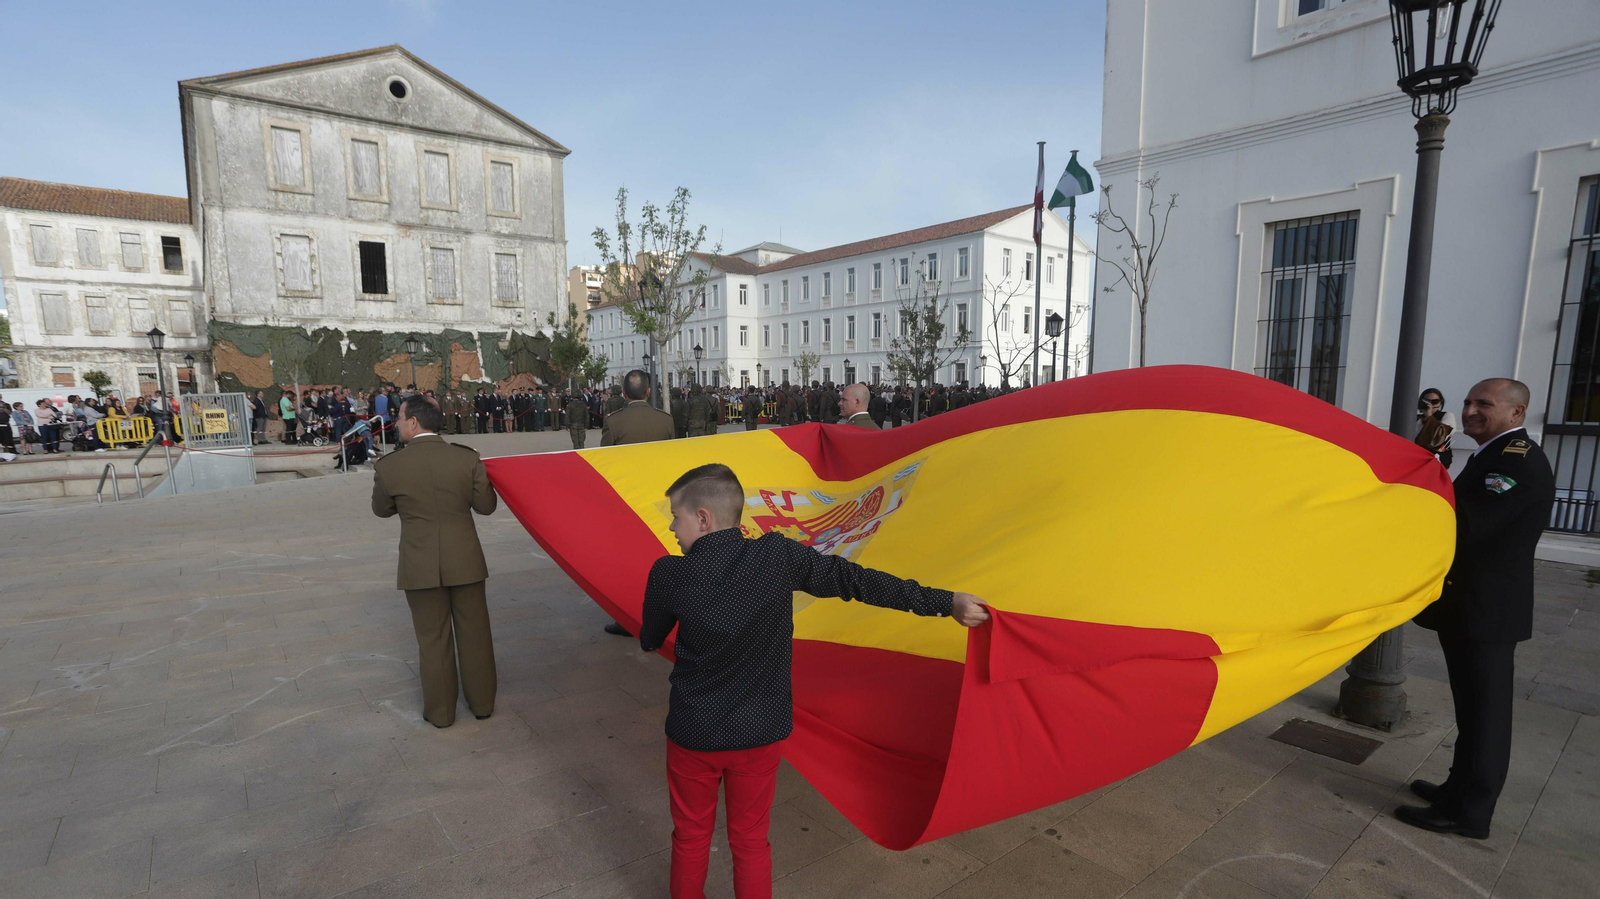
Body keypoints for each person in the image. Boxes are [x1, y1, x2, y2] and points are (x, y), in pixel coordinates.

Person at [639, 463, 989, 899]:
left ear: (703, 518)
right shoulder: (776, 556)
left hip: (693, 735)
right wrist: (945, 602)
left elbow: (649, 639)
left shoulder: (669, 574)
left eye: (676, 516)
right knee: (750, 840)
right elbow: (857, 581)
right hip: (758, 734)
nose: (672, 527)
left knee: (691, 837)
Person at [1396, 378, 1555, 840]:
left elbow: (1465, 523)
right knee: (1471, 709)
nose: (1469, 411)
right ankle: (1457, 789)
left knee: (1486, 715)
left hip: (1487, 609)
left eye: (1484, 403)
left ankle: (1470, 813)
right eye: (1467, 402)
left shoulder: (1515, 460)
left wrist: (1422, 482)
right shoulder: (1493, 454)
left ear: (1516, 413)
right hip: (1473, 604)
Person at [371, 395, 500, 728]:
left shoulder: (390, 466)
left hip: (420, 564)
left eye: (400, 418)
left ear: (413, 423)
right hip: (466, 560)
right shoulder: (466, 458)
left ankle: (441, 713)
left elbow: (381, 509)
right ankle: (482, 704)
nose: (397, 424)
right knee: (475, 634)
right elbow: (486, 506)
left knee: (433, 640)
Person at [599, 369, 677, 636]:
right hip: (659, 500)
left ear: (623, 393)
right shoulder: (665, 420)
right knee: (658, 555)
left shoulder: (614, 422)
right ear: (648, 392)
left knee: (628, 561)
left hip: (626, 500)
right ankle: (664, 615)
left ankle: (629, 618)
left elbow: (605, 462)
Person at [1417, 387, 1458, 469]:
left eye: (1435, 402)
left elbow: (1441, 434)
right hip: (1418, 458)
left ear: (1440, 403)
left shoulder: (1446, 416)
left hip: (1437, 459)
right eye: (1426, 401)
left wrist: (1429, 415)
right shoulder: (1417, 419)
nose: (1430, 404)